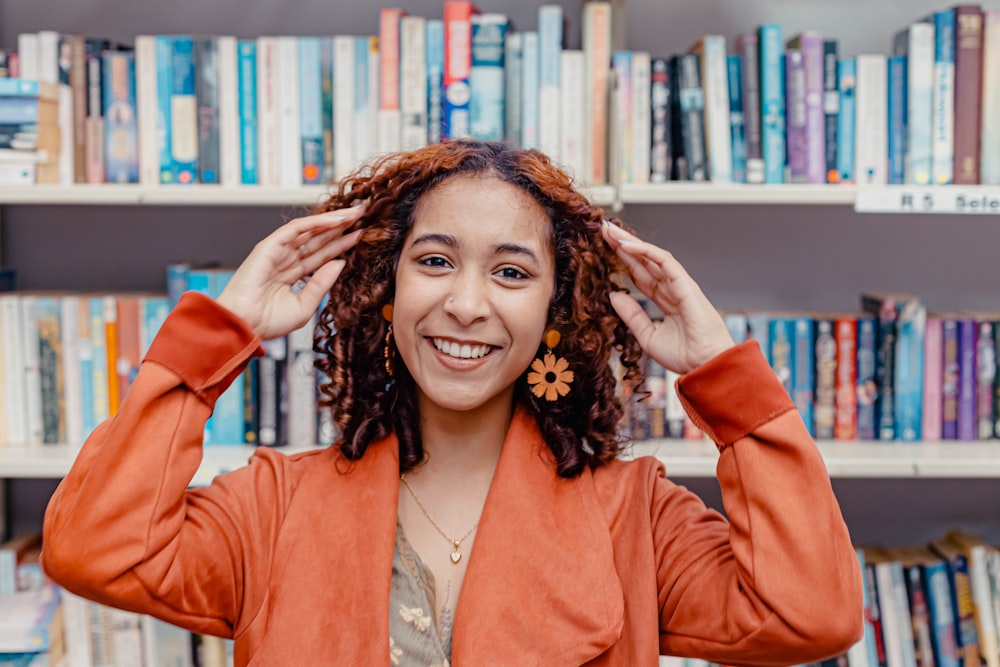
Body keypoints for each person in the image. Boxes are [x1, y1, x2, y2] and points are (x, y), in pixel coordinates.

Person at [42, 141, 862, 666]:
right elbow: (94, 548)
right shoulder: (272, 504)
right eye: (435, 260)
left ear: (556, 309)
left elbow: (811, 613)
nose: (467, 304)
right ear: (384, 290)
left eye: (511, 272)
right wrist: (219, 335)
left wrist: (722, 373)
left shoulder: (634, 516)